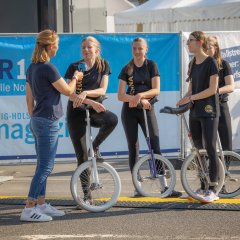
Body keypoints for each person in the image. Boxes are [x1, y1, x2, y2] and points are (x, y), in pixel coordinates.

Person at [21, 29, 83, 222]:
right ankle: (29, 207)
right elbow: (68, 91)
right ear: (49, 46)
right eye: (56, 45)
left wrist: (35, 118)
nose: (57, 48)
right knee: (46, 167)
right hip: (47, 121)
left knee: (42, 164)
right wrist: (75, 78)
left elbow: (29, 98)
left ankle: (41, 204)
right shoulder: (48, 68)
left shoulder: (32, 68)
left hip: (38, 120)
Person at [118, 37, 182, 197]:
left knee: (155, 144)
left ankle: (164, 186)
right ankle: (137, 187)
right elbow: (120, 95)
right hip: (130, 111)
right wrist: (134, 99)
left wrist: (139, 96)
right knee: (133, 148)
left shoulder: (151, 65)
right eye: (134, 48)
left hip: (147, 109)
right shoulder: (127, 68)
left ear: (146, 49)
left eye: (140, 48)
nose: (137, 51)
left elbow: (156, 89)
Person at [64, 36, 118, 206]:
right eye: (83, 47)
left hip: (95, 110)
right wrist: (87, 100)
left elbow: (102, 89)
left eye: (89, 47)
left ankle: (95, 146)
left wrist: (86, 93)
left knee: (112, 119)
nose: (86, 50)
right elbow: (70, 93)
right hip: (76, 112)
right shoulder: (74, 66)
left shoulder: (103, 65)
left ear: (97, 49)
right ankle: (87, 196)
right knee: (82, 157)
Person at [177, 31, 220, 203]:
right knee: (197, 148)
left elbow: (212, 89)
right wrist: (183, 99)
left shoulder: (211, 62)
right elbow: (191, 89)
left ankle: (213, 188)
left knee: (209, 146)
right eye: (188, 42)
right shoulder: (193, 63)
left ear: (200, 42)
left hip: (209, 110)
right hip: (195, 111)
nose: (188, 44)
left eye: (191, 41)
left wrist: (191, 97)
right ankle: (203, 185)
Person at [207, 36, 234, 151]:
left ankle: (226, 168)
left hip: (221, 105)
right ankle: (209, 167)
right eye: (204, 48)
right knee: (207, 142)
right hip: (206, 107)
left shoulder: (224, 64)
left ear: (216, 48)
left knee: (226, 141)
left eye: (209, 48)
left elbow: (231, 86)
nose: (206, 51)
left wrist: (215, 91)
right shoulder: (199, 65)